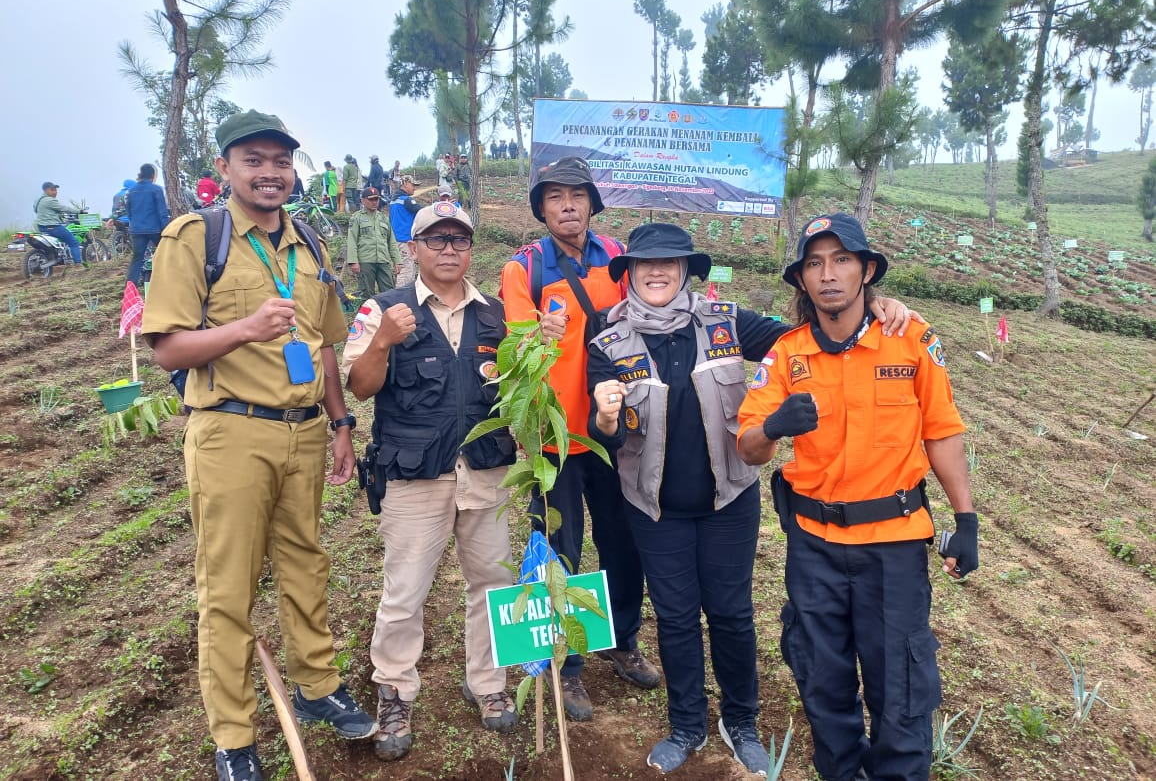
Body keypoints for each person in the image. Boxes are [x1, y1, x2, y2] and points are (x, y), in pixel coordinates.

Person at [587, 222, 920, 776]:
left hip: (728, 500)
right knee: (673, 619)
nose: (658, 271)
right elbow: (611, 435)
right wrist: (603, 415)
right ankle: (688, 722)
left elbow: (810, 332)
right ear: (629, 275)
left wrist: (874, 304)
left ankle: (740, 719)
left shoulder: (727, 322)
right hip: (654, 510)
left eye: (671, 262)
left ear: (689, 271)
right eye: (645, 264)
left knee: (733, 616)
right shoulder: (607, 340)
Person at [141, 109, 376, 781]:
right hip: (231, 431)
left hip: (303, 433)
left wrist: (339, 425)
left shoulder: (308, 245)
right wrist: (244, 328)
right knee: (228, 586)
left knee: (306, 563)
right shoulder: (196, 237)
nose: (270, 173)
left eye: (281, 161)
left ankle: (317, 685)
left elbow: (325, 346)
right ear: (226, 169)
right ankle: (235, 736)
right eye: (255, 160)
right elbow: (168, 348)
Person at [737, 213, 978, 781]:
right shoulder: (787, 355)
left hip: (893, 549)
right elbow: (748, 447)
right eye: (815, 263)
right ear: (801, 281)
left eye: (842, 260)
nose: (828, 275)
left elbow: (941, 430)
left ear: (867, 271)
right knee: (822, 682)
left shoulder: (911, 339)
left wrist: (965, 517)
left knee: (901, 689)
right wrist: (774, 425)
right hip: (814, 546)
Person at [342, 201, 518, 762]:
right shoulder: (383, 309)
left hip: (486, 471)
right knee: (405, 591)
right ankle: (394, 689)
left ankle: (489, 684)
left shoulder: (495, 314)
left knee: (492, 584)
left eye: (458, 241)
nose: (448, 250)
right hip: (417, 475)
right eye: (435, 240)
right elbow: (361, 388)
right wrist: (382, 342)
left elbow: (517, 391)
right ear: (412, 249)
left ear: (471, 250)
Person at [499, 156, 659, 721]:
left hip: (616, 431)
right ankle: (563, 664)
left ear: (593, 202)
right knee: (561, 547)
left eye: (577, 195)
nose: (568, 205)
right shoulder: (525, 268)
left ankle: (620, 639)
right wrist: (532, 338)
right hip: (554, 436)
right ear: (541, 209)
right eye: (555, 197)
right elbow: (514, 351)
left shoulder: (620, 258)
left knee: (624, 540)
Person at [347, 186, 400, 298]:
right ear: (363, 200)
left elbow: (391, 241)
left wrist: (397, 261)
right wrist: (353, 261)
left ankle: (387, 314)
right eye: (371, 199)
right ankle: (368, 316)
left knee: (389, 292)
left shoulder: (383, 218)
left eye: (376, 199)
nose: (374, 202)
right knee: (366, 294)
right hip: (365, 261)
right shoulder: (357, 218)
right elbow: (352, 240)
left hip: (383, 260)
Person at [125, 163, 171, 287]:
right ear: (152, 175)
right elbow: (162, 211)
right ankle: (167, 281)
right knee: (165, 254)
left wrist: (134, 224)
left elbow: (129, 212)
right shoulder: (156, 189)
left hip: (136, 230)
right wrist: (167, 228)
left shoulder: (131, 191)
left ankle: (130, 288)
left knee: (137, 259)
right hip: (154, 229)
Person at [33, 181, 83, 264]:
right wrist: (79, 211)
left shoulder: (38, 200)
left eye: (55, 190)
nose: (55, 192)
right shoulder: (50, 200)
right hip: (53, 227)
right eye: (52, 190)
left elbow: (37, 210)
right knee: (73, 242)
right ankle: (78, 264)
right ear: (46, 190)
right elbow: (63, 208)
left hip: (42, 227)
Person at [388, 175, 423, 287]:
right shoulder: (406, 200)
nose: (415, 188)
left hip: (396, 240)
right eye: (413, 185)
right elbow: (422, 212)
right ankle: (401, 296)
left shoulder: (393, 201)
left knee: (405, 268)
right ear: (406, 184)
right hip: (404, 240)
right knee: (406, 270)